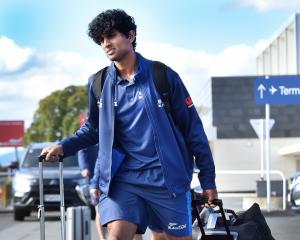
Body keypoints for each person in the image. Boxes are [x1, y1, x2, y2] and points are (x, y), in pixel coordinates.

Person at [41, 9, 218, 240]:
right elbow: (93, 129)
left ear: (131, 36)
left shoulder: (162, 76)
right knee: (117, 237)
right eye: (101, 40)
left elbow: (193, 130)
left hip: (167, 181)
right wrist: (63, 146)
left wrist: (208, 180)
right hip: (122, 180)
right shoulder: (99, 83)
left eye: (111, 36)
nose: (106, 44)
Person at [78, 144, 106, 240]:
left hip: (112, 178)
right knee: (99, 210)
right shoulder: (90, 132)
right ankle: (103, 238)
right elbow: (81, 150)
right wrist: (84, 167)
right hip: (94, 180)